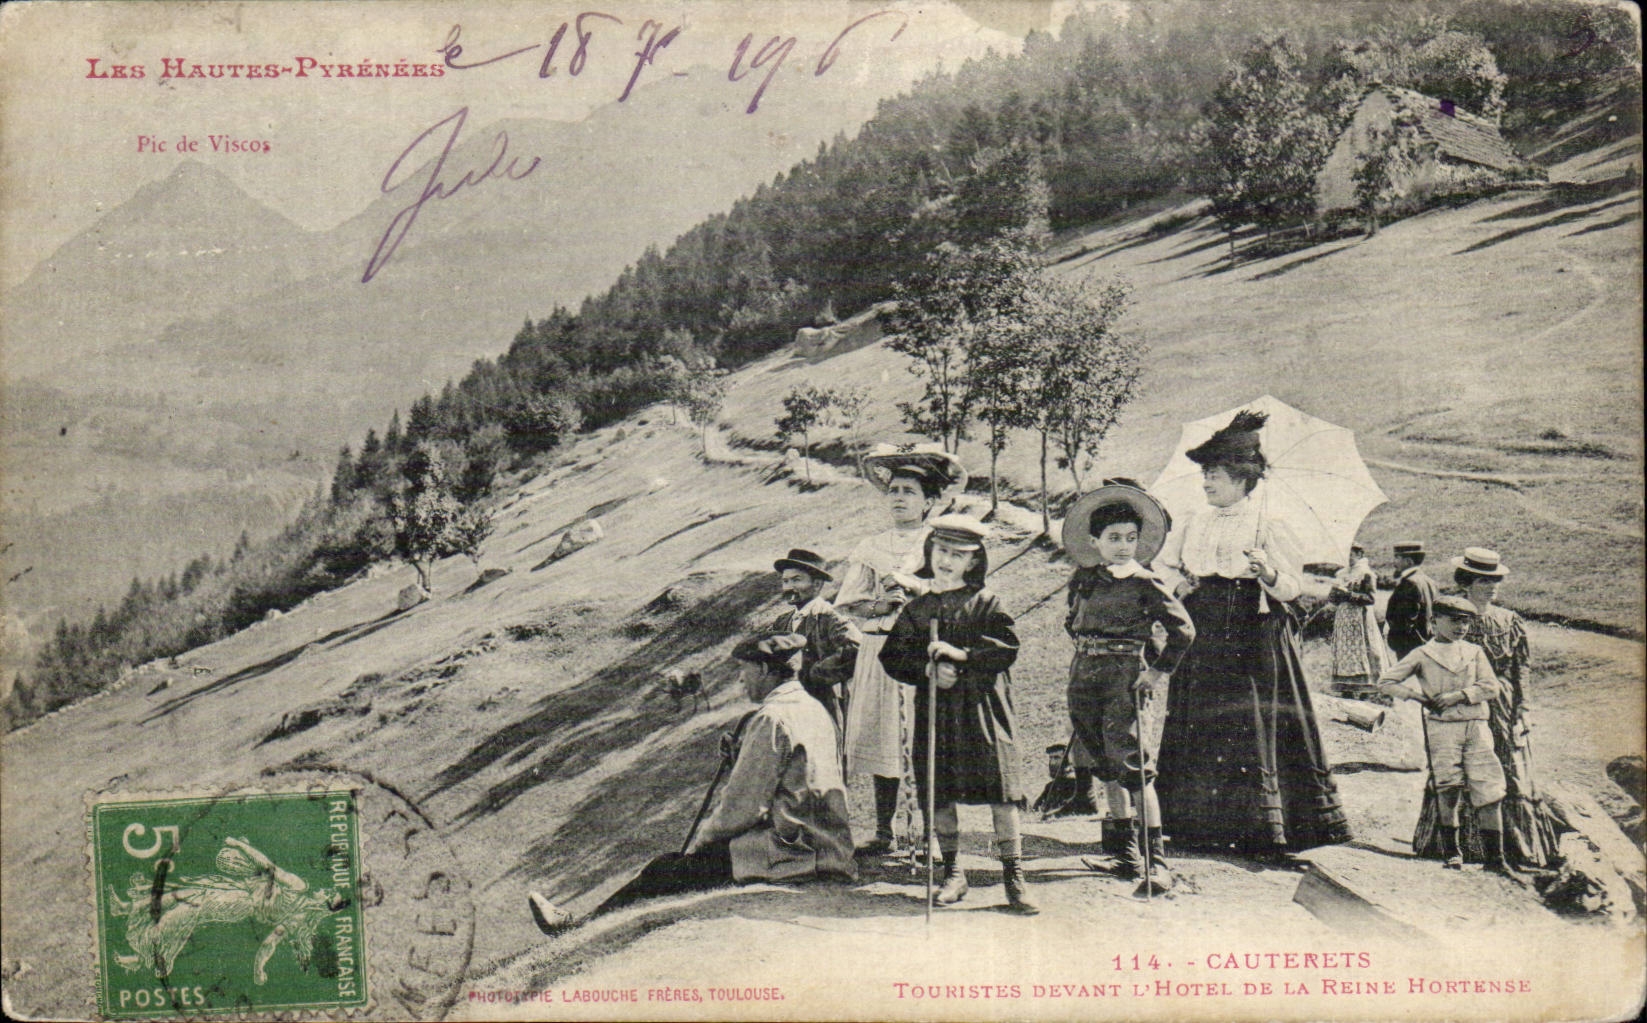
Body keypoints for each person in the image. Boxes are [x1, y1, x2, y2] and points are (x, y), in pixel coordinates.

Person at [528, 635, 856, 934]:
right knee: (678, 867)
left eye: (743, 669)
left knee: (666, 870)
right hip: (828, 844)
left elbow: (742, 807)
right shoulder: (812, 708)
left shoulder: (772, 718)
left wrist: (703, 843)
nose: (740, 679)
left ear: (763, 668)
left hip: (795, 851)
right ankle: (581, 923)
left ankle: (576, 928)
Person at [1154, 409, 1351, 857]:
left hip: (1254, 632)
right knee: (1204, 717)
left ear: (1242, 480)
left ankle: (1263, 831)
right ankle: (1198, 826)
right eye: (1205, 475)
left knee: (1254, 721)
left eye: (1215, 476)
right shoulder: (1193, 520)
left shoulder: (1270, 524)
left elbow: (1293, 588)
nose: (1206, 484)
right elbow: (1164, 567)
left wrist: (1268, 572)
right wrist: (1180, 585)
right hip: (1203, 631)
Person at [878, 514, 1036, 914]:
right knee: (939, 789)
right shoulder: (917, 611)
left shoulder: (986, 603)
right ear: (930, 554)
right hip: (938, 711)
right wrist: (927, 670)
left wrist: (962, 657)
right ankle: (952, 872)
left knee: (1001, 790)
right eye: (941, 551)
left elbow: (1006, 648)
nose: (947, 560)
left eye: (957, 555)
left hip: (984, 709)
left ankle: (1014, 877)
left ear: (973, 562)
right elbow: (893, 657)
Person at [1061, 479, 1196, 895]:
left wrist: (1154, 671)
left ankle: (1156, 864)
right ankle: (1125, 853)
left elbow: (1183, 631)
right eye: (1114, 538)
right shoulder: (1085, 579)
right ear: (1094, 541)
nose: (1123, 546)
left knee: (1134, 767)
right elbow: (1073, 622)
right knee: (1104, 764)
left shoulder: (1145, 581)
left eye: (1131, 538)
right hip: (1084, 676)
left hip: (1125, 678)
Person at [837, 445, 965, 856]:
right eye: (893, 490)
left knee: (926, 740)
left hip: (923, 651)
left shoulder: (941, 544)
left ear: (929, 501)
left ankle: (930, 835)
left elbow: (961, 594)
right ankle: (883, 831)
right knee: (884, 739)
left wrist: (917, 591)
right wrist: (882, 603)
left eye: (909, 491)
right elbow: (851, 602)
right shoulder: (871, 546)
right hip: (880, 650)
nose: (898, 498)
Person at [1411, 548, 1563, 870]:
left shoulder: (1509, 620)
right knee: (1453, 771)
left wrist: (1524, 708)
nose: (1492, 587)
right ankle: (1452, 846)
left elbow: (1521, 668)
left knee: (1502, 768)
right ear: (1466, 582)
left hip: (1501, 706)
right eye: (1484, 581)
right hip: (1457, 703)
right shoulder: (1448, 617)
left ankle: (1511, 848)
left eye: (1496, 580)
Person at [1378, 595, 1518, 877]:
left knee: (1489, 787)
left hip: (1476, 725)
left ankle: (1495, 858)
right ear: (1434, 621)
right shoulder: (1422, 654)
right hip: (1442, 729)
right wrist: (1418, 697)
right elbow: (1386, 682)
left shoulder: (1474, 652)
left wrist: (1460, 695)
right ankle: (1452, 852)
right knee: (1448, 785)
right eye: (1454, 621)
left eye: (1465, 622)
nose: (1460, 627)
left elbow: (1492, 687)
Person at [763, 548, 862, 732]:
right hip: (787, 707)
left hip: (822, 705)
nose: (789, 587)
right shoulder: (782, 621)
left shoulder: (830, 617)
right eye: (785, 581)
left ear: (816, 585)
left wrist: (812, 674)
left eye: (797, 580)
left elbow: (855, 650)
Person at [1328, 543, 1391, 701]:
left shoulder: (1366, 573)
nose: (1348, 557)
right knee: (1344, 652)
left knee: (1363, 650)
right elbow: (1332, 599)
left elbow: (1370, 598)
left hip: (1359, 618)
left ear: (1359, 554)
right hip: (1343, 619)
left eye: (1351, 554)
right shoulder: (1341, 574)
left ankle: (1365, 691)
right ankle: (1346, 689)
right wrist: (1336, 593)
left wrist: (1349, 594)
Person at [1385, 540, 1438, 659]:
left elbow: (1404, 621)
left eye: (1397, 558)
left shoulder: (1410, 583)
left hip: (1409, 646)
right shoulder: (1429, 581)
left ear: (1408, 561)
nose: (1394, 562)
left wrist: (1397, 641)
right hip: (1427, 642)